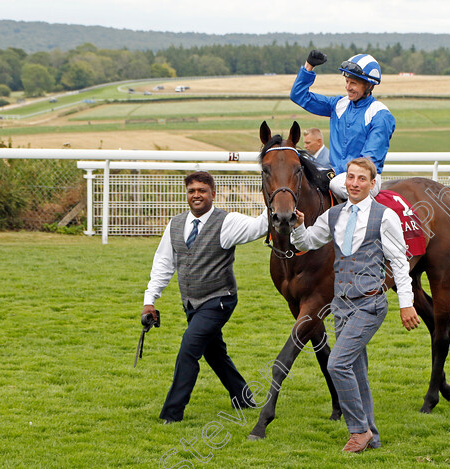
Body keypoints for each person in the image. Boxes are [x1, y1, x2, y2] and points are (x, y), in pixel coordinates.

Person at [290, 158, 420, 452]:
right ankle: (372, 435)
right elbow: (306, 243)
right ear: (344, 181)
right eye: (351, 178)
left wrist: (406, 303)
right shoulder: (334, 215)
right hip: (341, 306)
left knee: (337, 363)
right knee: (356, 370)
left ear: (373, 184)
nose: (355, 183)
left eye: (362, 179)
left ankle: (358, 431)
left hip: (370, 303)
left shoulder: (384, 217)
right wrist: (298, 226)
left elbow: (400, 262)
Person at [143, 171, 267, 424]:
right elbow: (163, 264)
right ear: (186, 194)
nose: (196, 195)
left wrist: (275, 193)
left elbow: (259, 226)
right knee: (214, 352)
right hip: (191, 302)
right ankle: (243, 398)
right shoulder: (175, 224)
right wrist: (150, 301)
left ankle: (172, 413)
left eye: (202, 190)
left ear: (213, 193)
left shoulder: (228, 221)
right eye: (192, 191)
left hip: (220, 299)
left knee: (189, 348)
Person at [290, 50, 396, 200]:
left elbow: (368, 161)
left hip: (365, 178)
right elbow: (298, 96)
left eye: (353, 83)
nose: (348, 87)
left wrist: (334, 173)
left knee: (336, 183)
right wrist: (309, 66)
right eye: (347, 82)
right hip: (337, 175)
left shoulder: (380, 115)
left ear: (369, 86)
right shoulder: (338, 104)